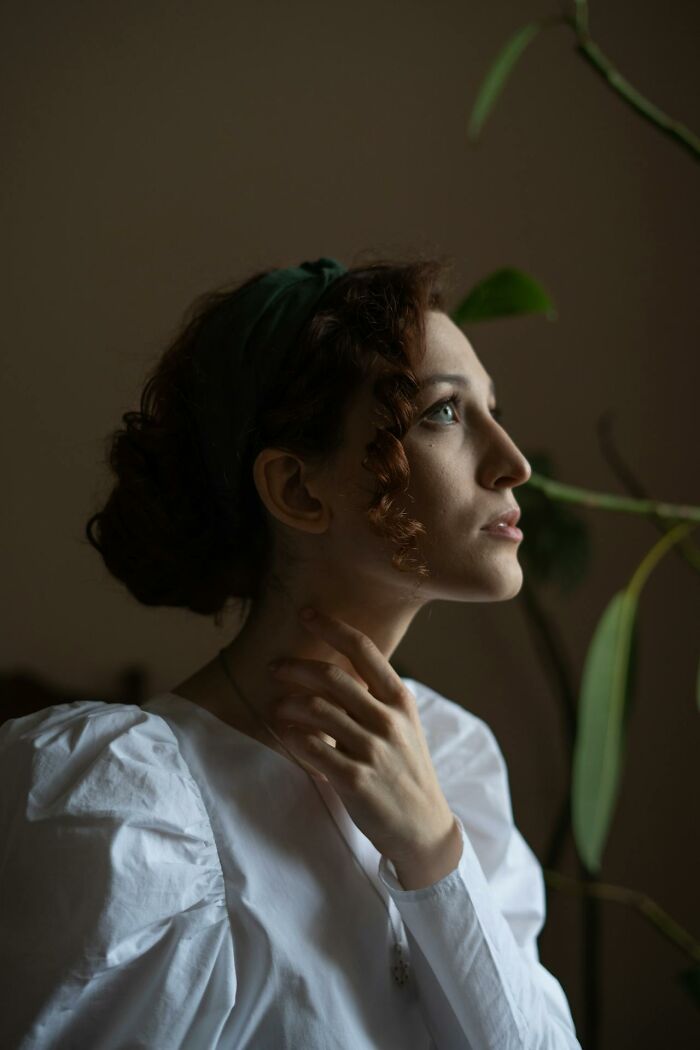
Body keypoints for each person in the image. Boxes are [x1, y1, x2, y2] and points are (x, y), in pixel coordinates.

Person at [0, 256, 582, 1048]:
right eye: (444, 413)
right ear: (300, 491)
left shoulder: (456, 759)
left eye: (494, 408)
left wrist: (432, 852)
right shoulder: (123, 812)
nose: (513, 461)